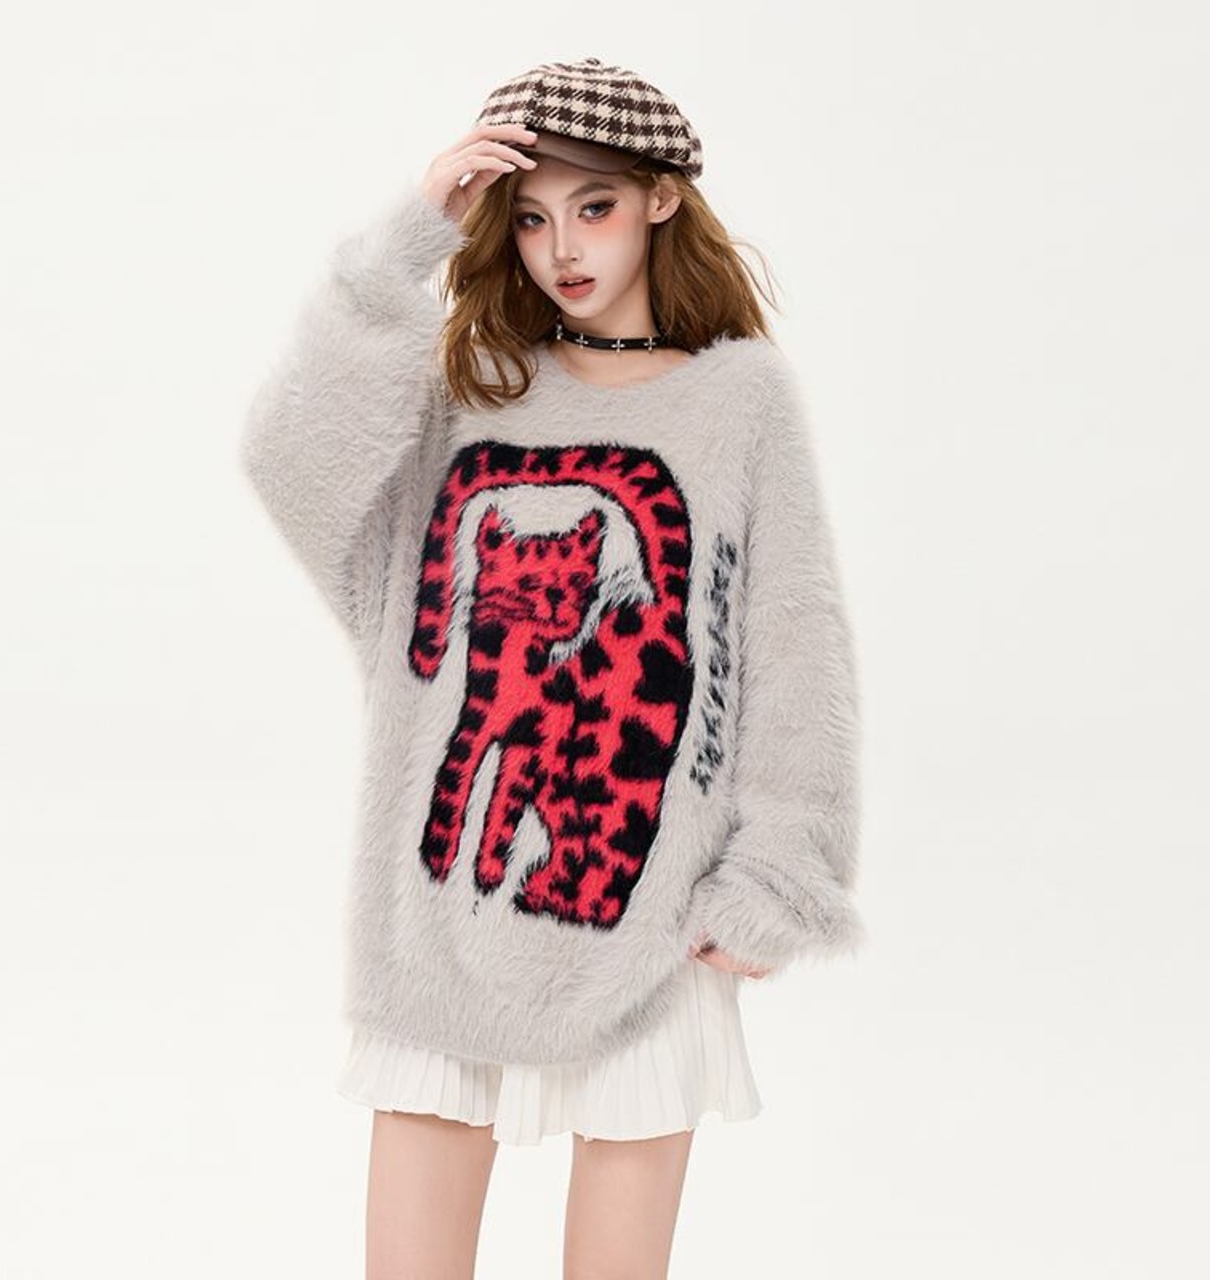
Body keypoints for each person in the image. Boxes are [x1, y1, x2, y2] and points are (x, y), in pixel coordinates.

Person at [240, 55, 865, 1280]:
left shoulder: (737, 398)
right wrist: (405, 243)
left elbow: (794, 639)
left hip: (648, 915)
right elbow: (292, 463)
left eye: (593, 206)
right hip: (441, 915)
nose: (561, 248)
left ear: (662, 199)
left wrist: (780, 869)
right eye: (528, 217)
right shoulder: (466, 390)